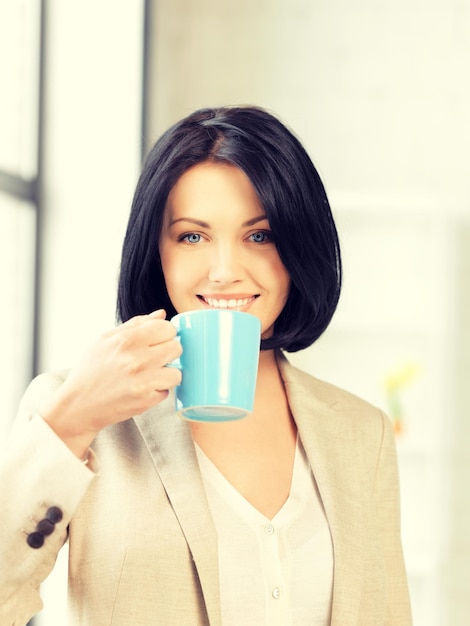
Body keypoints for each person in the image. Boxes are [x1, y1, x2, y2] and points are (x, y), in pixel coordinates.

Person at [0, 105, 412, 625]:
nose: (223, 272)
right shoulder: (78, 411)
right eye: (192, 236)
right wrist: (71, 421)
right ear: (158, 251)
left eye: (259, 236)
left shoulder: (361, 433)